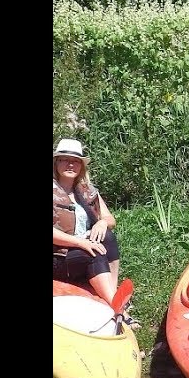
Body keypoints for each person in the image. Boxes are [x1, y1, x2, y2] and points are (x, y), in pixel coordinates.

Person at [52, 138, 138, 327]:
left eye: (75, 161)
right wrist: (81, 243)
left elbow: (110, 219)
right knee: (93, 253)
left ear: (81, 166)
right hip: (58, 255)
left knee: (107, 236)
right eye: (64, 159)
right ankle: (117, 307)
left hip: (78, 251)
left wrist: (101, 223)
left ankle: (112, 294)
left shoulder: (87, 191)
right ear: (56, 162)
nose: (70, 164)